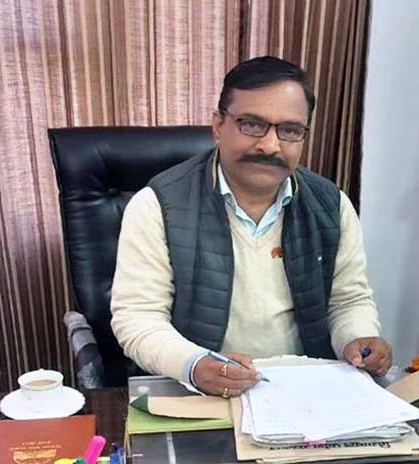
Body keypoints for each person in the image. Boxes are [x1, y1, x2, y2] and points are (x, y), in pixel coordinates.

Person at [110, 56, 391, 397]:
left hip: (304, 392)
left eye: (290, 130)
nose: (270, 145)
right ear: (218, 125)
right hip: (199, 394)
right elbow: (138, 318)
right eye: (252, 125)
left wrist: (358, 339)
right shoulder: (157, 205)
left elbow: (347, 301)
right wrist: (194, 365)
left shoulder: (331, 205)